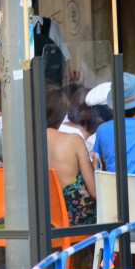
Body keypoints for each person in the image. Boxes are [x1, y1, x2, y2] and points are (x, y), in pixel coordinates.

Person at [46, 87, 95, 225]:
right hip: (74, 221)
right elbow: (94, 191)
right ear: (62, 113)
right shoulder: (74, 140)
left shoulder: (26, 144)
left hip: (44, 219)